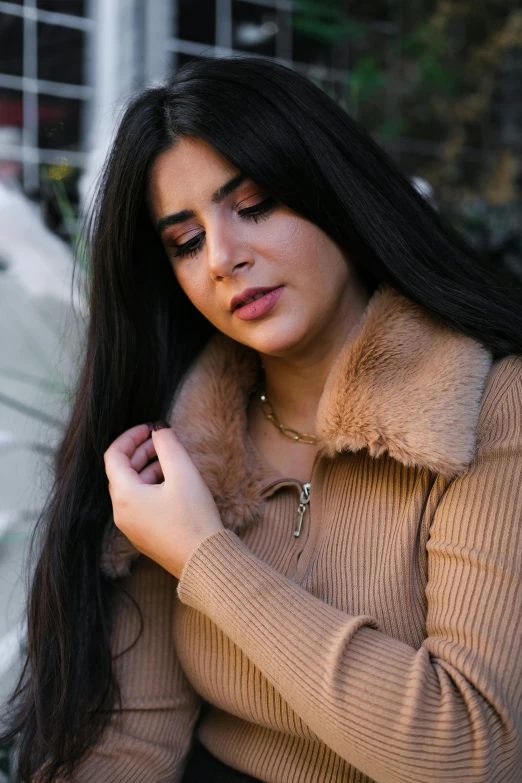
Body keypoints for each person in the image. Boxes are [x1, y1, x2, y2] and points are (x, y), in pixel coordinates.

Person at [2, 55, 521, 783]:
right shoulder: (178, 450)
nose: (221, 257)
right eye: (184, 241)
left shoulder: (490, 405)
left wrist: (203, 554)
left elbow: (468, 751)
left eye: (256, 205)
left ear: (335, 195)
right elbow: (128, 747)